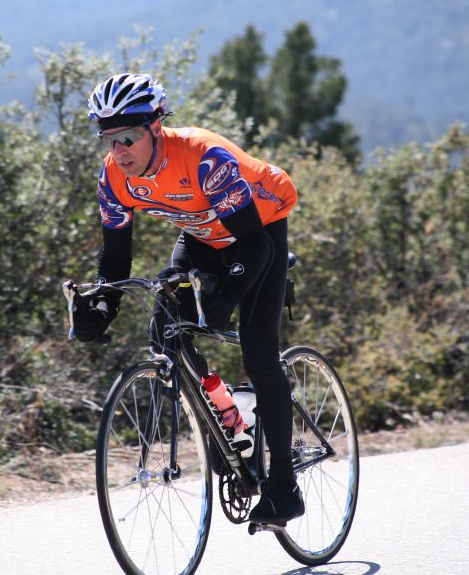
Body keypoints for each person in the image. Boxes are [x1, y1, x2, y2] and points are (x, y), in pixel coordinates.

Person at [72, 73, 303, 525]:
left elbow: (255, 245)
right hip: (202, 233)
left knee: (259, 352)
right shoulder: (113, 177)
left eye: (128, 138)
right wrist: (102, 306)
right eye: (110, 139)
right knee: (164, 332)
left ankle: (284, 486)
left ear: (156, 128)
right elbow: (115, 257)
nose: (119, 151)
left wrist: (232, 292)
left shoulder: (203, 159)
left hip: (260, 229)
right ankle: (230, 425)